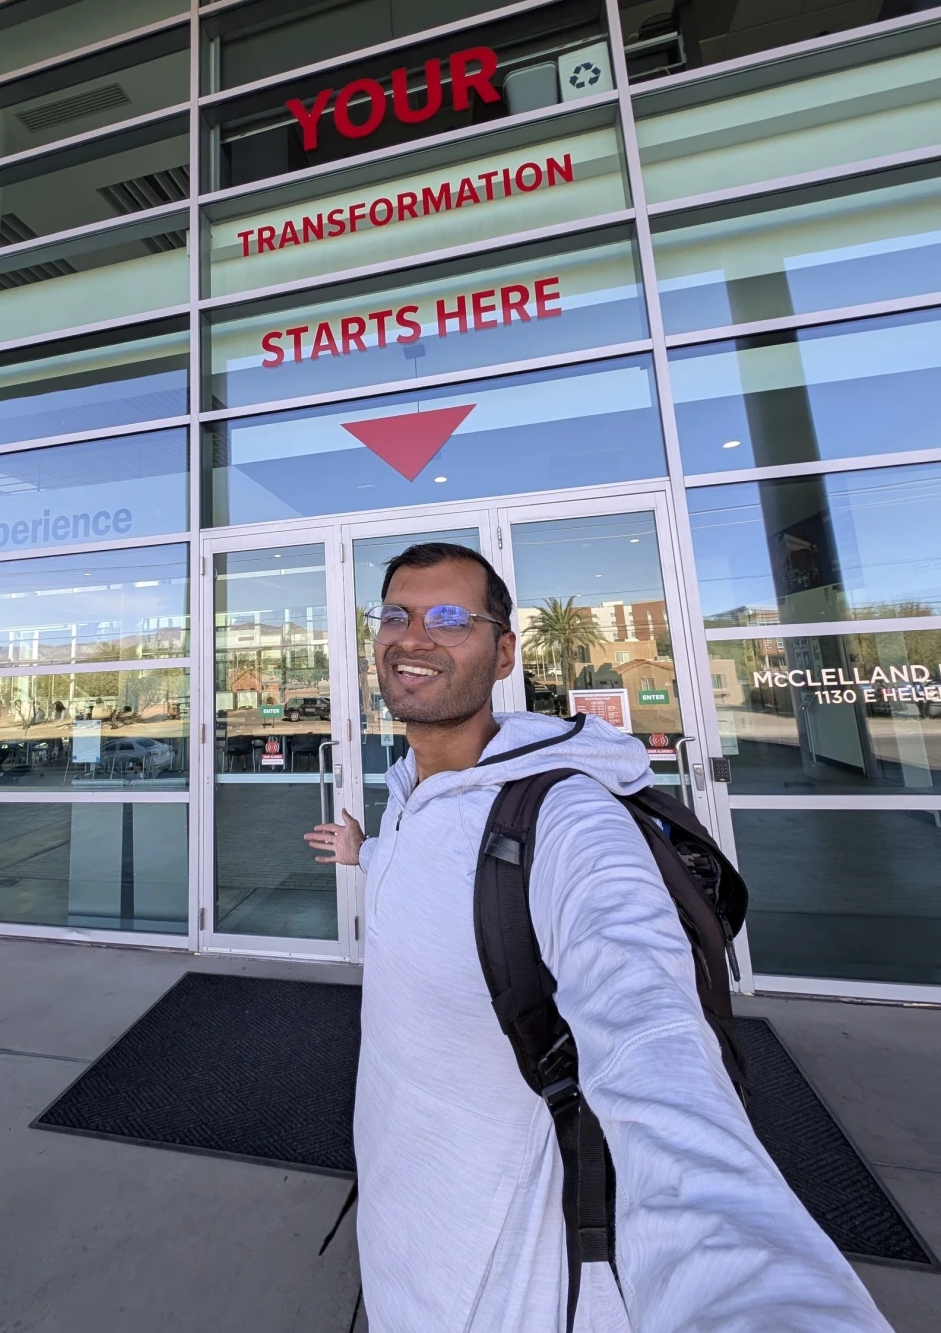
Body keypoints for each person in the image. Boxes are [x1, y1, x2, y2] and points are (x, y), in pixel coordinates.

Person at [305, 542, 891, 1333]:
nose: (414, 636)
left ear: (504, 650)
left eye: (450, 617)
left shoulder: (569, 821)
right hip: (406, 1250)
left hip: (516, 1291)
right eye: (397, 615)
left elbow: (652, 1040)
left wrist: (758, 1296)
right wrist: (364, 851)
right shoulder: (412, 793)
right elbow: (432, 873)